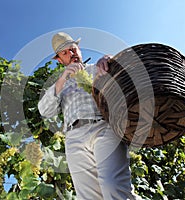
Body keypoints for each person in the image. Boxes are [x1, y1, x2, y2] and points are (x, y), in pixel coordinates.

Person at [38, 32, 140, 200]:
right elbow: (45, 111)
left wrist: (110, 59)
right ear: (59, 60)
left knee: (113, 186)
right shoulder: (59, 84)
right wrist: (63, 78)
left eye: (73, 49)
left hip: (104, 128)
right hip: (74, 137)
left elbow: (126, 74)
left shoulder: (95, 69)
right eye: (65, 53)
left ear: (79, 49)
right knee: (88, 197)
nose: (71, 54)